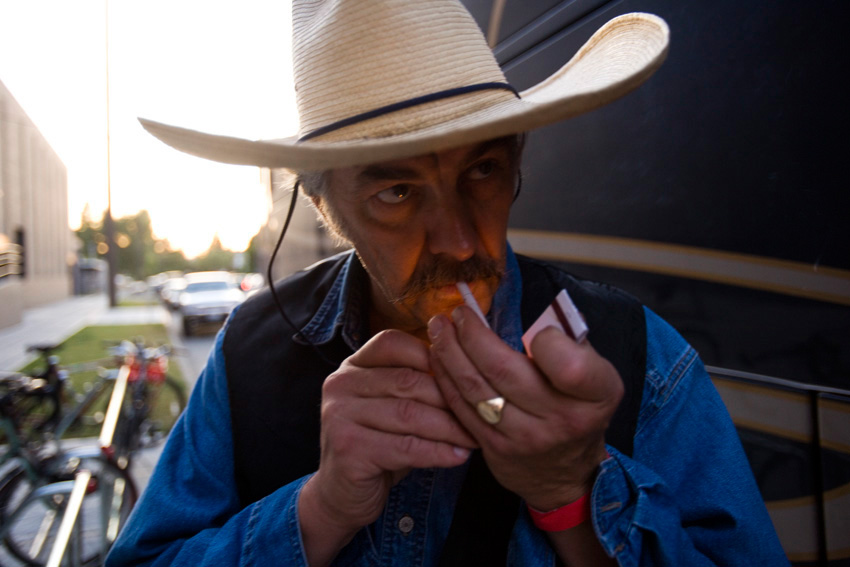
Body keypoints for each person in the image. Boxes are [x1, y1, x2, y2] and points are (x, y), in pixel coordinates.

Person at [108, 1, 788, 565]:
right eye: (397, 192)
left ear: (516, 158)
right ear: (324, 206)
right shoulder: (248, 354)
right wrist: (321, 509)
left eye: (482, 171)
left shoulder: (641, 358)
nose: (460, 241)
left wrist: (571, 495)